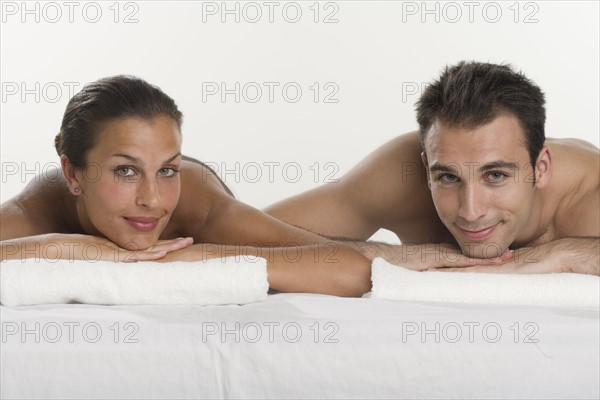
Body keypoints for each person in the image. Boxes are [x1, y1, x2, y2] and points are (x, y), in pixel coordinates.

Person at [0, 75, 376, 296]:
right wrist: (70, 247)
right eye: (125, 171)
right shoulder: (36, 211)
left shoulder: (196, 206)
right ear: (72, 175)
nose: (152, 200)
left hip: (227, 222)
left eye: (167, 170)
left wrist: (200, 256)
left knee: (369, 250)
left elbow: (351, 270)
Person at [266, 61, 600, 275]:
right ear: (427, 169)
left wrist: (561, 254)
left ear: (541, 168)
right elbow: (236, 234)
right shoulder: (401, 172)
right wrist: (384, 256)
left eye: (495, 175)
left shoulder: (590, 197)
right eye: (448, 177)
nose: (471, 211)